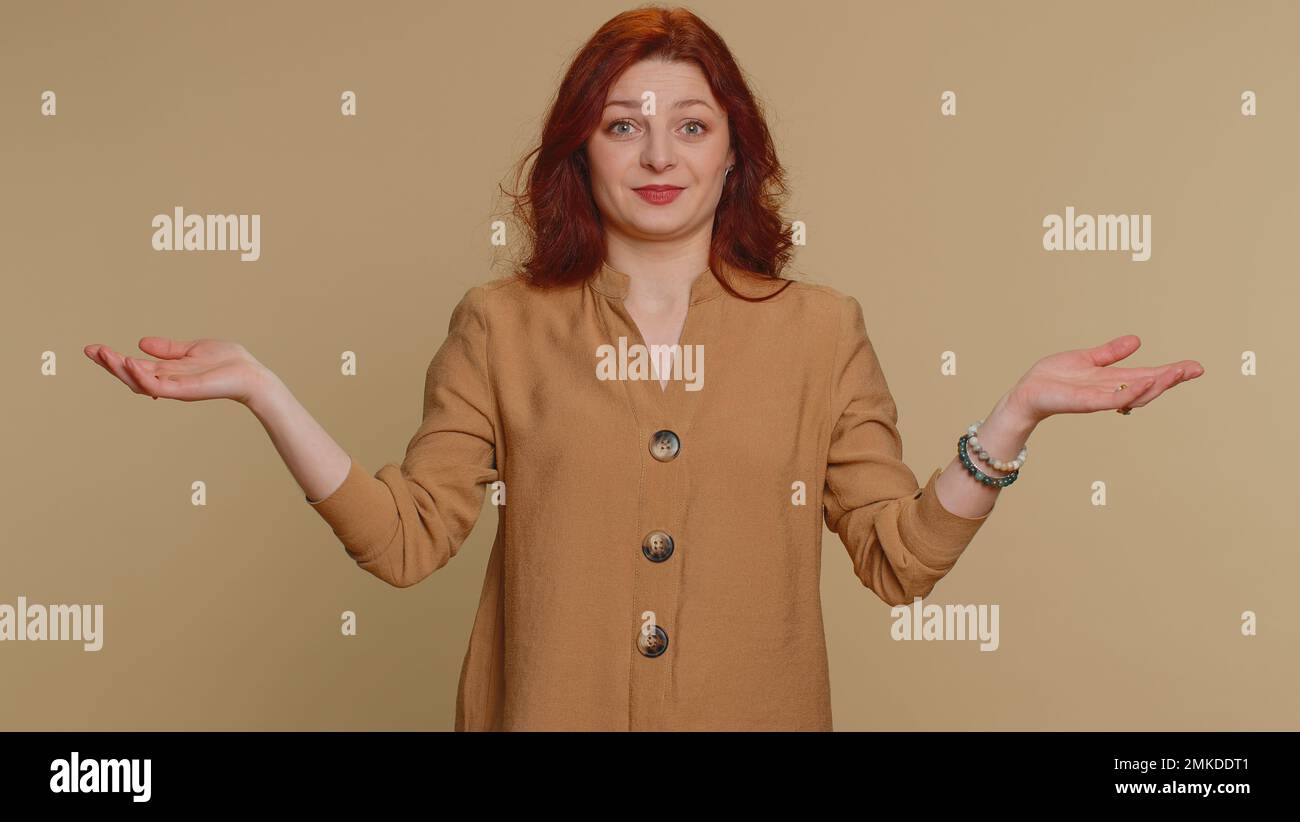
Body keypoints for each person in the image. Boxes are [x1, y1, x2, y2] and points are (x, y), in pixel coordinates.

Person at [84, 6, 1203, 731]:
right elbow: (406, 538)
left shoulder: (821, 328)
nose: (660, 155)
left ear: (735, 147)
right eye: (623, 126)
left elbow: (899, 558)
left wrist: (1012, 418)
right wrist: (263, 391)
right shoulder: (498, 323)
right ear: (580, 149)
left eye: (691, 124)